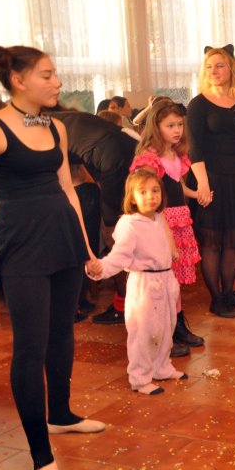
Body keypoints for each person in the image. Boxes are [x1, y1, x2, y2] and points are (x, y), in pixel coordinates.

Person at [0, 45, 105, 470]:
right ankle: (40, 453)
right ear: (18, 81)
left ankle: (60, 413)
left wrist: (87, 246)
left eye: (55, 73)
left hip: (63, 238)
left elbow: (68, 189)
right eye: (47, 75)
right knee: (30, 346)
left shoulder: (55, 126)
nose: (57, 82)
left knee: (62, 332)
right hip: (22, 247)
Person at [88, 169, 186, 395]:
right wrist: (100, 269)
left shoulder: (159, 218)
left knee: (166, 327)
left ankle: (161, 367)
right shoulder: (129, 224)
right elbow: (119, 256)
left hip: (165, 280)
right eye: (143, 192)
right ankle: (140, 378)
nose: (150, 196)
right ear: (132, 198)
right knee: (143, 332)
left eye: (155, 191)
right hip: (144, 285)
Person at [187, 46, 235, 318]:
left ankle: (229, 292)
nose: (214, 71)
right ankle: (216, 298)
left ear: (231, 69)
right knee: (212, 241)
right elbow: (194, 149)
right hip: (210, 178)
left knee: (232, 239)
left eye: (219, 65)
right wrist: (202, 184)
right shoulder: (198, 104)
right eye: (209, 66)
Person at [128, 99, 204, 356]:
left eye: (180, 125)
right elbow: (148, 198)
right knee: (159, 283)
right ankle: (161, 336)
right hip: (161, 224)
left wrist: (196, 194)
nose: (177, 130)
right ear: (156, 126)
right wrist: (164, 234)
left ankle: (177, 326)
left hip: (179, 219)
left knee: (173, 281)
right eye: (170, 125)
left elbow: (176, 186)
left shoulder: (175, 154)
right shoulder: (149, 157)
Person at [55, 110, 138, 324]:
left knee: (113, 234)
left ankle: (125, 304)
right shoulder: (69, 117)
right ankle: (128, 301)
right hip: (125, 153)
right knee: (124, 231)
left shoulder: (37, 121)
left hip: (113, 160)